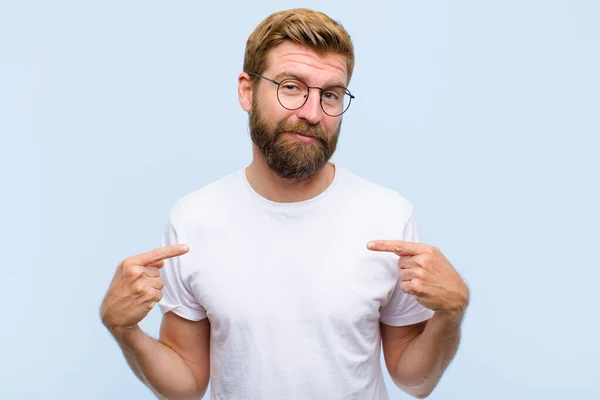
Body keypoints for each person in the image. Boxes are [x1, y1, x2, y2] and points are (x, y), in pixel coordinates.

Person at [100, 8, 470, 400]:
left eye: (330, 94)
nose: (312, 113)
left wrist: (451, 314)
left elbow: (414, 381)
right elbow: (187, 384)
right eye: (291, 87)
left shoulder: (388, 216)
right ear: (247, 90)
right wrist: (124, 330)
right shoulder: (194, 219)